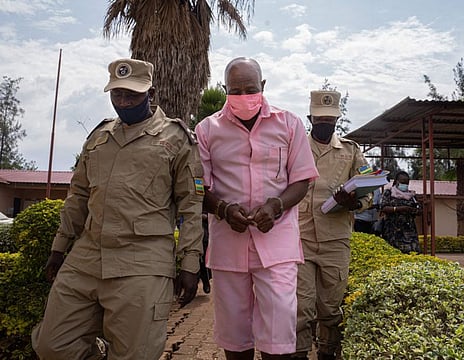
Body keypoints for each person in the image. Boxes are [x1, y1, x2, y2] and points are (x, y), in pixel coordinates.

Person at [31, 58, 204, 360]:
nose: (123, 102)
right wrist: (59, 248)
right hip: (87, 257)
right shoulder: (98, 138)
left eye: (132, 95)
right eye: (117, 94)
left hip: (142, 262)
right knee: (52, 345)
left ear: (152, 93)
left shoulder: (177, 140)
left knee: (135, 354)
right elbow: (78, 196)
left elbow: (191, 206)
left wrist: (190, 263)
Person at [194, 57, 319, 360]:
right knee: (235, 337)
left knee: (279, 337)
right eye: (235, 90)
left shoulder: (289, 124)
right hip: (228, 244)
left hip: (277, 246)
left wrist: (276, 205)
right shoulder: (207, 130)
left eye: (250, 89)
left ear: (262, 86)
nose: (243, 97)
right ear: (225, 90)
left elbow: (302, 180)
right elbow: (199, 187)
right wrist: (222, 209)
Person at [292, 90, 372, 360]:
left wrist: (353, 202)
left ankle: (327, 352)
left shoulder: (351, 151)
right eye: (320, 119)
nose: (326, 124)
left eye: (331, 120)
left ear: (338, 120)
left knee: (330, 307)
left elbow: (369, 188)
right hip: (300, 237)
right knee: (301, 307)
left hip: (335, 240)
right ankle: (299, 353)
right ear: (310, 118)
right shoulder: (295, 146)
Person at [379, 170, 421, 254]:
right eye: (402, 182)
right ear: (396, 181)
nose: (405, 185)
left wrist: (414, 210)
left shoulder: (412, 195)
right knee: (394, 254)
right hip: (393, 231)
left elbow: (419, 210)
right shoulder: (389, 193)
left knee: (413, 254)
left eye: (407, 183)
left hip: (409, 232)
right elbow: (383, 208)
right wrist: (399, 209)